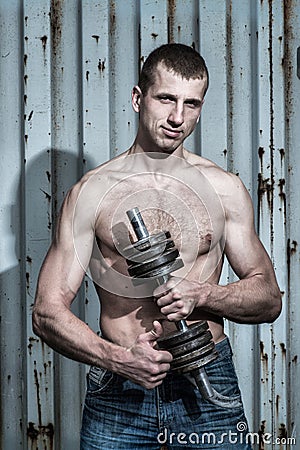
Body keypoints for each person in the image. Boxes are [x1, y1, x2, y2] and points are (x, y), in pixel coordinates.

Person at [33, 43, 282, 449]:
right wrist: (117, 359)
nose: (177, 118)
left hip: (208, 384)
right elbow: (46, 312)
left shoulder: (224, 190)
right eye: (166, 98)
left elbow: (269, 299)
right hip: (120, 387)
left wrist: (204, 294)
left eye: (191, 104)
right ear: (138, 98)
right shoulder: (91, 193)